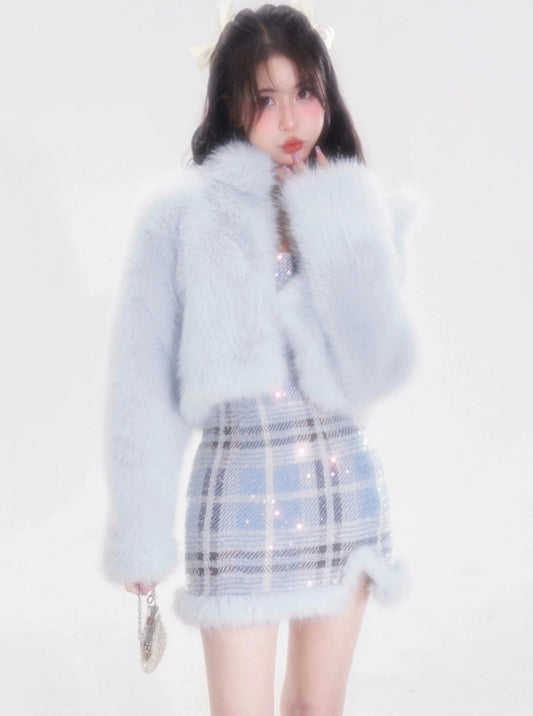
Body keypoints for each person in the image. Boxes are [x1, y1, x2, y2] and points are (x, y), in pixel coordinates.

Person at [102, 3, 425, 714]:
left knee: (316, 708)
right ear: (229, 102)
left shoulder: (353, 206)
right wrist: (140, 534)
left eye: (305, 92)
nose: (291, 120)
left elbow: (375, 365)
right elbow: (142, 384)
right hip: (238, 503)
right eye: (266, 98)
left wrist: (332, 218)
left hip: (345, 500)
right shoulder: (181, 218)